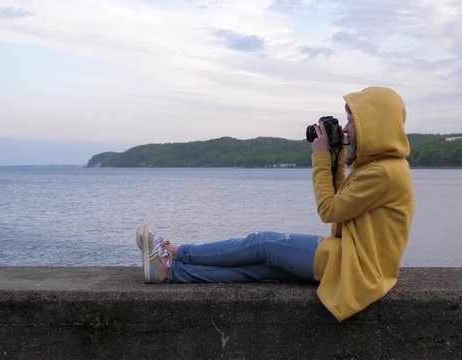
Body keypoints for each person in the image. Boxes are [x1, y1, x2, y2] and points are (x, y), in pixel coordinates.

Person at [136, 86, 415, 321]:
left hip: (354, 264)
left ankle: (176, 252)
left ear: (374, 125)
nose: (346, 129)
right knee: (257, 270)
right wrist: (336, 158)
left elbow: (329, 210)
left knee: (263, 243)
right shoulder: (381, 167)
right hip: (354, 260)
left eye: (352, 121)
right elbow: (343, 199)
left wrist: (319, 158)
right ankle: (170, 271)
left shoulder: (384, 172)